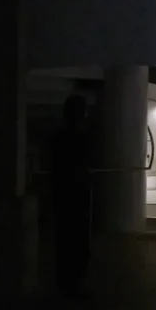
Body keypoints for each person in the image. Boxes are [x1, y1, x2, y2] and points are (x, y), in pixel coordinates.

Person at [50, 94, 92, 296]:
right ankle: (75, 285)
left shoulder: (58, 137)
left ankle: (64, 284)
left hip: (63, 194)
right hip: (78, 194)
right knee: (78, 241)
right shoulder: (82, 137)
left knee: (64, 240)